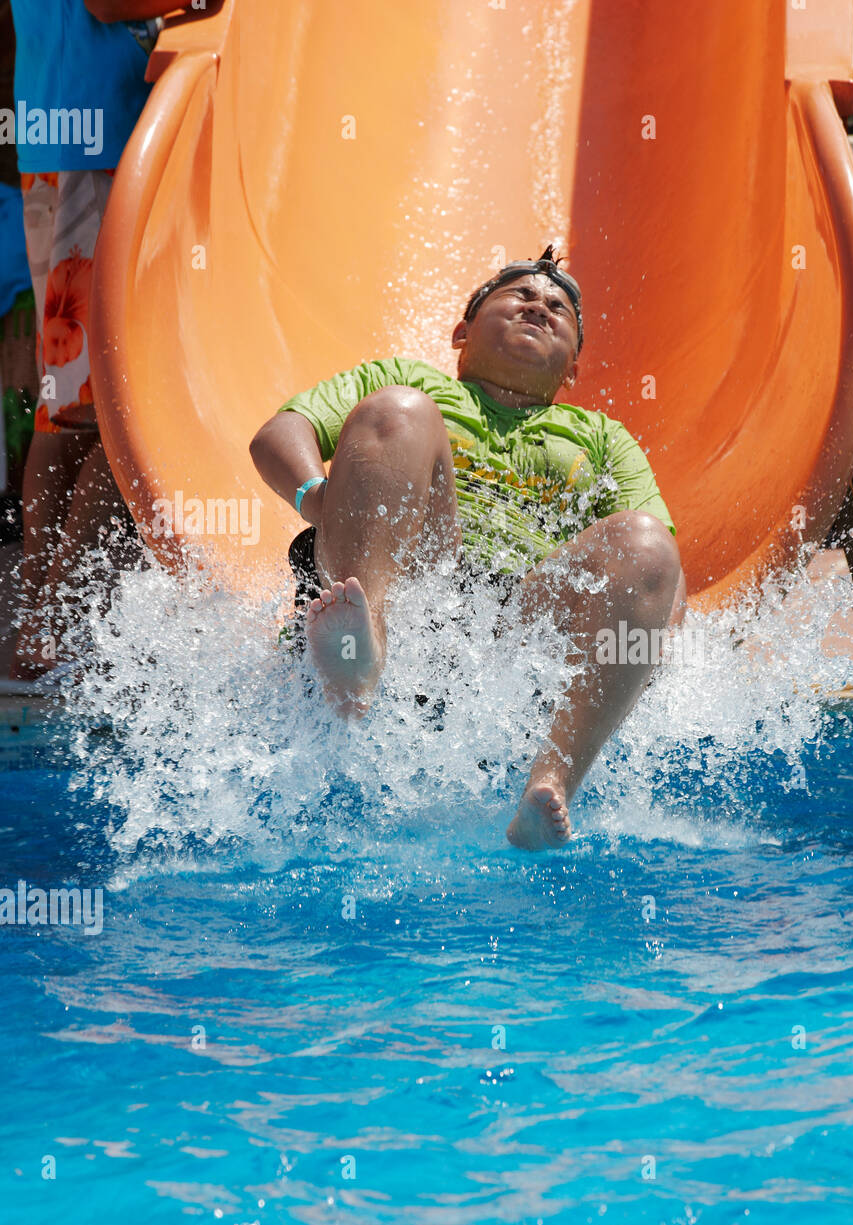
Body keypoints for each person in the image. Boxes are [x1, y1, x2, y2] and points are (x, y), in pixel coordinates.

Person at [249, 248, 686, 851]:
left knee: (644, 540)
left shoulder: (603, 439)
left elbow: (662, 573)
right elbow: (279, 433)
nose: (539, 305)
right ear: (462, 332)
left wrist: (644, 657)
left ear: (573, 371)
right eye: (519, 297)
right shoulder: (408, 382)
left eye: (558, 308)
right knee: (399, 412)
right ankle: (360, 642)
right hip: (409, 584)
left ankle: (550, 786)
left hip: (512, 631)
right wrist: (321, 502)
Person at [8, 1, 180, 680]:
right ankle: (55, 614)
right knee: (122, 400)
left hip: (70, 137)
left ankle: (43, 613)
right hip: (99, 146)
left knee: (73, 400)